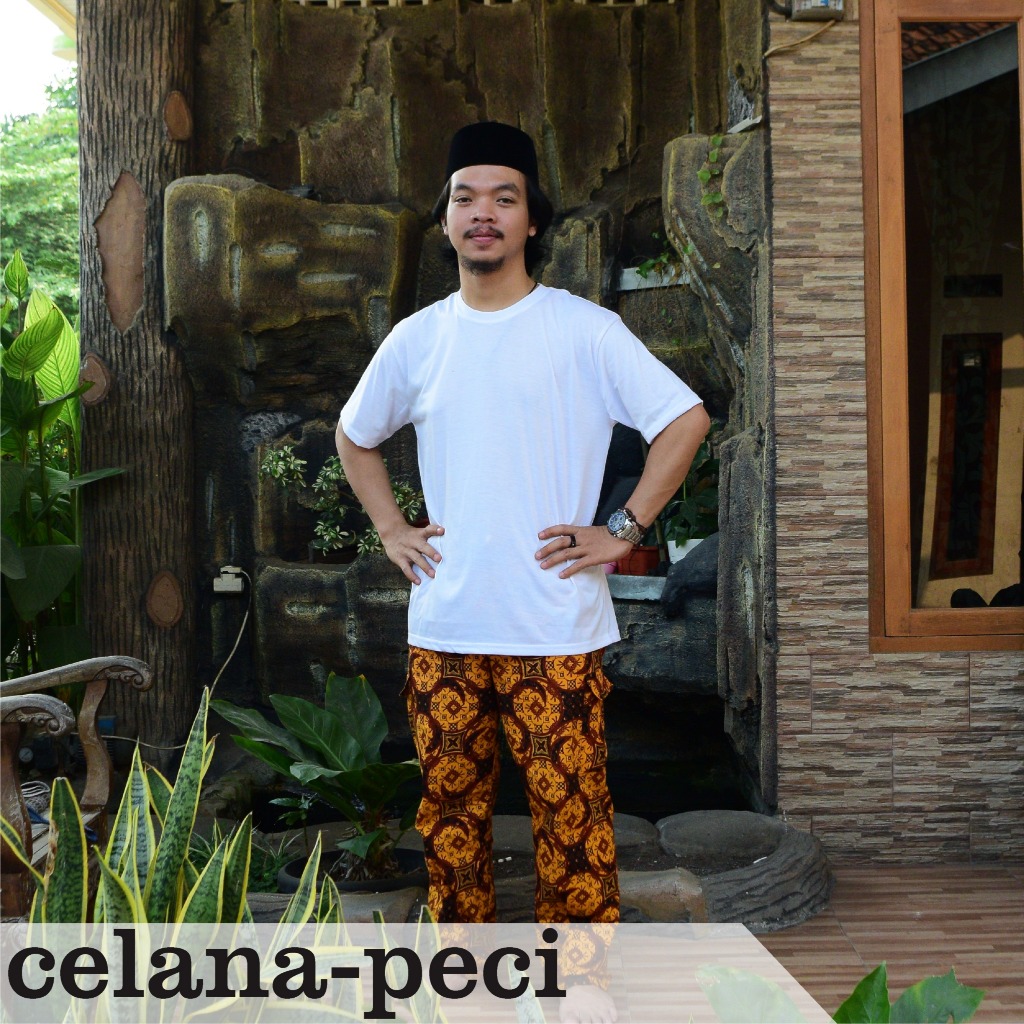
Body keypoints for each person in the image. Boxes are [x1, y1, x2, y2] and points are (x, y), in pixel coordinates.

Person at [337, 122, 710, 931]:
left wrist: (623, 527)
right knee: (449, 822)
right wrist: (391, 529)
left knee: (572, 820)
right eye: (465, 198)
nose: (483, 213)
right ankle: (461, 978)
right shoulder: (418, 339)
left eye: (503, 199)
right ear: (446, 220)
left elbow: (685, 420)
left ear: (531, 219)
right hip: (446, 624)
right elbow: (354, 435)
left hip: (554, 626)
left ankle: (581, 985)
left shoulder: (584, 329)